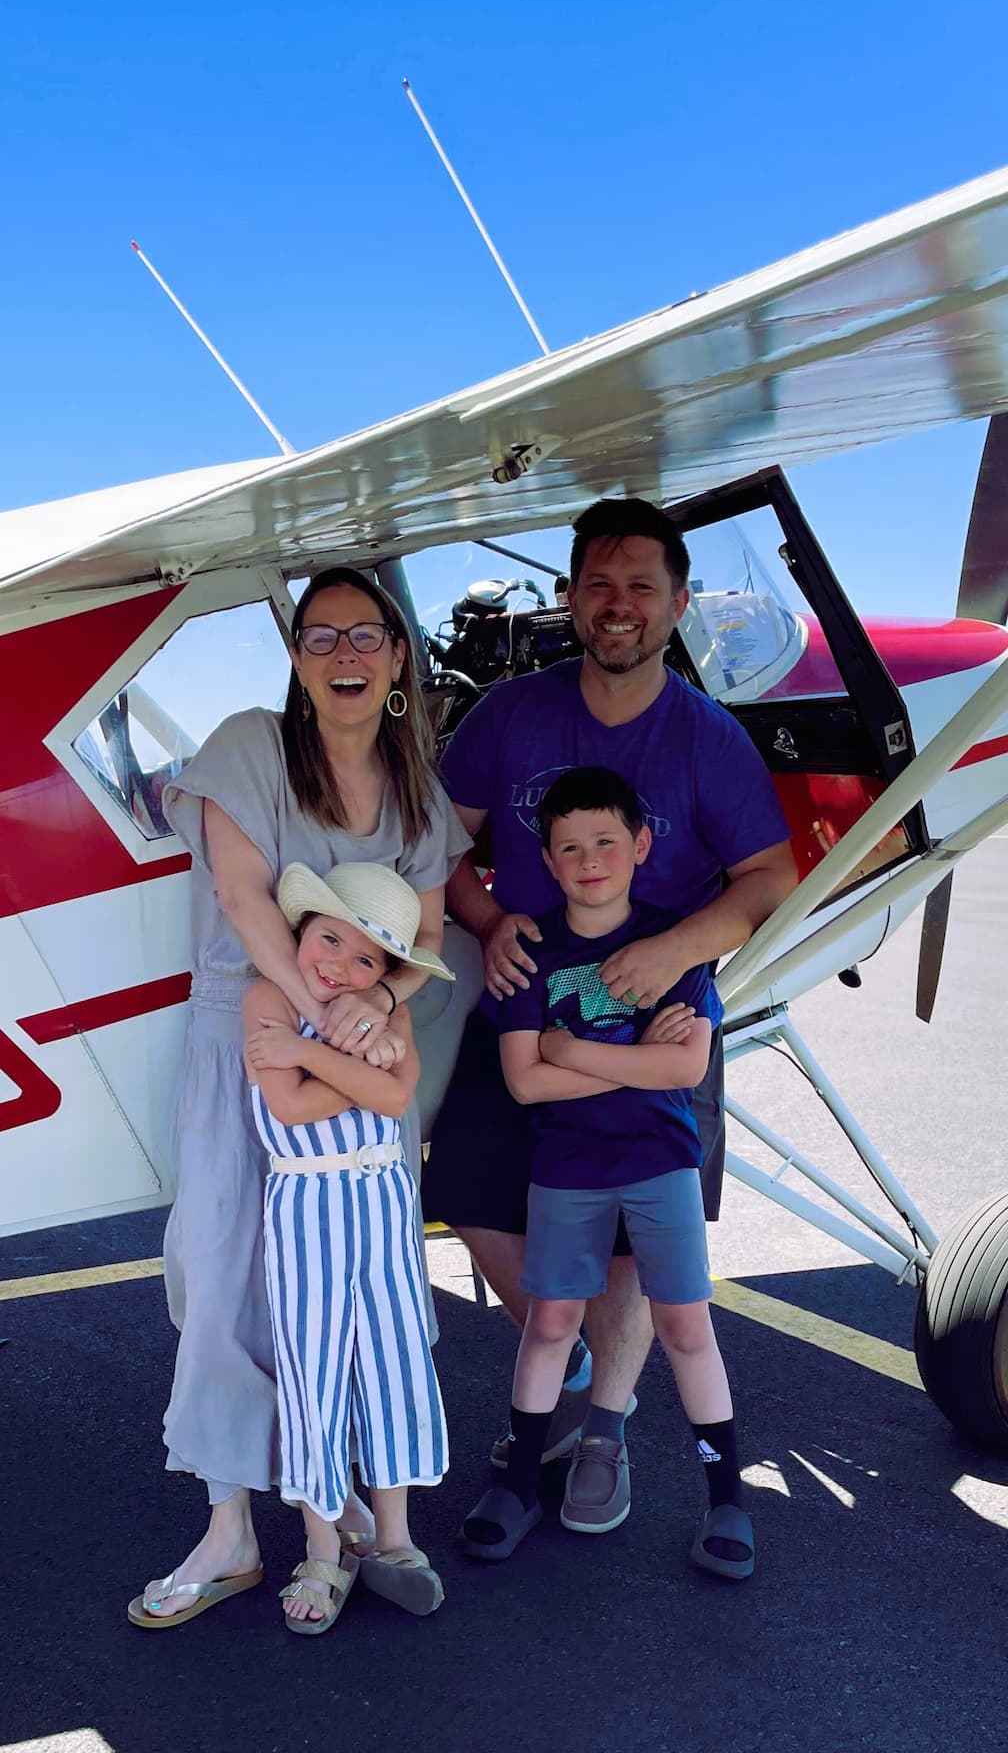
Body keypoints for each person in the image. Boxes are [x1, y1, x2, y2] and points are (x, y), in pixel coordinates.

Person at [423, 496, 795, 1536]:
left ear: (679, 603)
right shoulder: (509, 714)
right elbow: (441, 846)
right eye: (597, 583)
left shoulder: (707, 737)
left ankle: (604, 1427)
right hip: (529, 999)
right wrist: (490, 919)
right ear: (570, 596)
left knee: (636, 1240)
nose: (617, 605)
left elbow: (769, 873)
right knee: (465, 1185)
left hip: (660, 1012)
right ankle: (573, 1352)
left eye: (641, 586)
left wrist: (675, 948)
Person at [128, 566, 469, 1629]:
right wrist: (331, 1022)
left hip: (358, 1041)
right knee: (220, 1268)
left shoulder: (413, 783)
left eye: (366, 637)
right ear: (296, 658)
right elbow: (243, 899)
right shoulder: (249, 747)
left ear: (399, 657)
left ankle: (347, 1503)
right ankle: (231, 1529)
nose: (345, 657)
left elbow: (424, 938)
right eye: (321, 638)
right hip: (255, 1033)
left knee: (354, 1289)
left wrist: (379, 1012)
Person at [460, 768, 753, 1577]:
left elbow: (685, 1068)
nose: (589, 860)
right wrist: (636, 1056)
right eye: (569, 848)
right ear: (548, 864)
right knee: (551, 1324)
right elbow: (524, 1080)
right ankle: (520, 1484)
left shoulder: (674, 945)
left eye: (605, 843)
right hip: (568, 1169)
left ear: (641, 846)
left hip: (660, 1165)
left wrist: (576, 1050)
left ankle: (727, 1499)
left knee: (687, 1326)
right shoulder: (535, 954)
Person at [244, 860, 451, 1633]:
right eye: (328, 938)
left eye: (366, 957)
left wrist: (307, 1054)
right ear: (301, 931)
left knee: (394, 1360)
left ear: (384, 972)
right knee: (315, 1372)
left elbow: (397, 1097)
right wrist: (348, 1064)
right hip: (306, 1203)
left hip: (382, 1200)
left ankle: (393, 1540)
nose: (340, 964)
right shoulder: (269, 996)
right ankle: (323, 1548)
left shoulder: (380, 1012)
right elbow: (291, 1109)